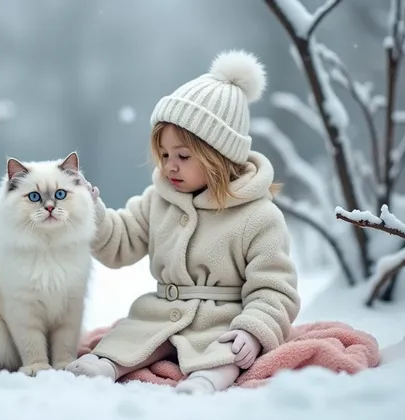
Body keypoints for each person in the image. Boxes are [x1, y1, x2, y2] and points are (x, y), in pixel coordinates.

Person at [66, 49, 301, 394]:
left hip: (223, 319)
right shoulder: (158, 200)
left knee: (228, 351)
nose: (170, 165)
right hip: (161, 312)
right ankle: (107, 367)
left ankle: (209, 379)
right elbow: (120, 241)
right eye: (163, 155)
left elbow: (274, 287)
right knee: (132, 337)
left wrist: (253, 329)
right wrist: (94, 211)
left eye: (183, 156)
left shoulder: (258, 216)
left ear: (219, 156)